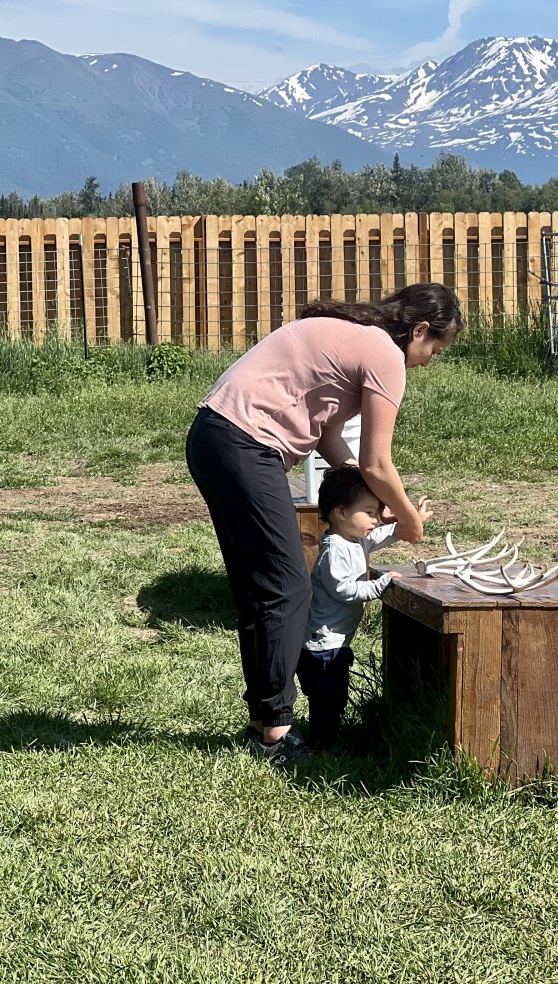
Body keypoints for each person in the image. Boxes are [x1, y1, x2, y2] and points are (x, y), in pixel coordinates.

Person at [184, 283, 463, 761]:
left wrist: (376, 502)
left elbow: (333, 442)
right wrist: (410, 516)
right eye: (435, 347)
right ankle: (275, 733)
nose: (430, 359)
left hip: (214, 437)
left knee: (259, 589)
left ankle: (263, 722)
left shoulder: (353, 335)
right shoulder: (384, 355)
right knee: (287, 589)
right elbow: (376, 462)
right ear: (418, 329)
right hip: (246, 445)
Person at [299, 466, 431, 749]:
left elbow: (384, 535)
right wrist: (380, 585)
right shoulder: (335, 549)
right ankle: (323, 747)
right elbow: (344, 590)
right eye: (370, 512)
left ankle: (327, 739)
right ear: (342, 513)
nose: (376, 519)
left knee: (333, 697)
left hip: (334, 643)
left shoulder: (354, 540)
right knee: (327, 699)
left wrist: (410, 520)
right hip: (322, 647)